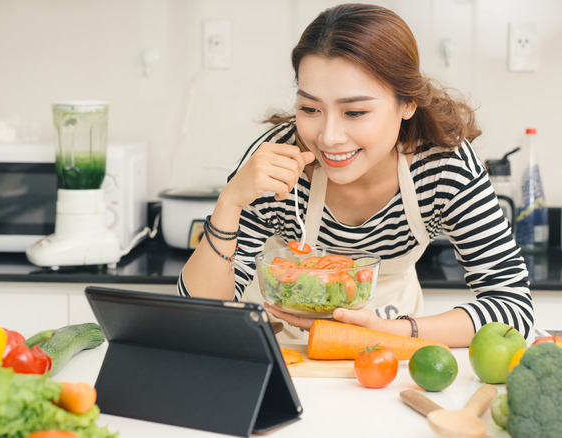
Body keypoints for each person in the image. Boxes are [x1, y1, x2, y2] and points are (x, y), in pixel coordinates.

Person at [178, 3, 533, 347]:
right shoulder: (278, 162)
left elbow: (513, 306)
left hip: (391, 346)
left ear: (407, 103)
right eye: (310, 108)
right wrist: (229, 202)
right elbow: (199, 315)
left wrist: (388, 332)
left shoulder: (444, 166)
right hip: (286, 348)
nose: (328, 137)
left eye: (355, 112)